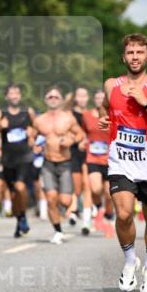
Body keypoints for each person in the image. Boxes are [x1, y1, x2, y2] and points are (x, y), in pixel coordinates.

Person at [99, 34, 147, 292]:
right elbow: (103, 107)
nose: (134, 57)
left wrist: (146, 102)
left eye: (139, 53)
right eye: (130, 52)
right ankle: (130, 261)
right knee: (123, 213)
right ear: (124, 57)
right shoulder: (111, 85)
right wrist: (103, 120)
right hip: (120, 161)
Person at [30, 86, 84, 245]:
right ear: (46, 100)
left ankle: (66, 211)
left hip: (65, 163)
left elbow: (80, 134)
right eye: (50, 97)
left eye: (56, 97)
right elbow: (31, 136)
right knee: (50, 198)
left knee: (66, 201)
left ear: (60, 100)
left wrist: (71, 141)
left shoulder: (68, 118)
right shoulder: (39, 120)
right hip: (48, 163)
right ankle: (58, 230)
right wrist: (35, 145)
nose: (53, 99)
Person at [0, 84, 35, 239]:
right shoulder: (1, 113)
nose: (15, 96)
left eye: (17, 93)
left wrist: (33, 135)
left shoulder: (28, 112)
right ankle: (20, 220)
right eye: (11, 93)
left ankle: (23, 216)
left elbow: (37, 128)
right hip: (8, 159)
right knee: (13, 195)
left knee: (20, 186)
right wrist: (0, 125)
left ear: (20, 95)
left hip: (25, 157)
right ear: (7, 97)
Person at [81, 88, 113, 234]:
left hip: (110, 159)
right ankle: (98, 206)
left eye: (103, 98)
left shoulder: (113, 115)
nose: (100, 101)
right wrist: (82, 141)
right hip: (92, 157)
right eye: (98, 98)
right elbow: (83, 132)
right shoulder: (86, 115)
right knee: (95, 189)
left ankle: (108, 214)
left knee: (108, 193)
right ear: (94, 100)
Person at [64, 86, 89, 227]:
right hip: (73, 151)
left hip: (88, 152)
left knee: (88, 183)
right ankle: (73, 210)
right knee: (76, 185)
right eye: (79, 96)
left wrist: (86, 141)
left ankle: (86, 211)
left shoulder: (91, 114)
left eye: (84, 96)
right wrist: (76, 140)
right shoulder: (70, 114)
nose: (82, 99)